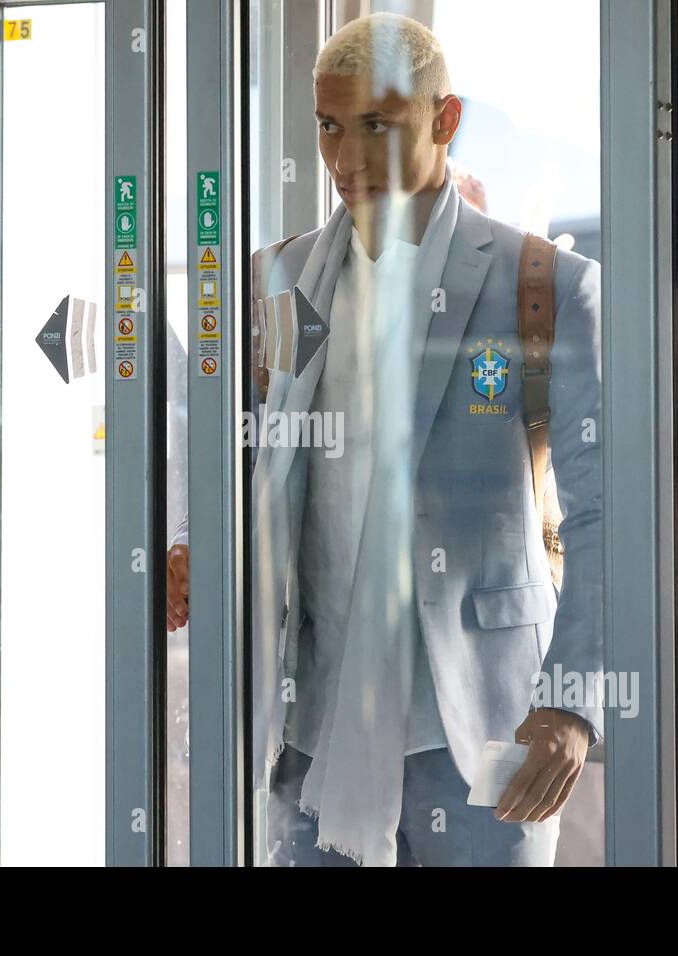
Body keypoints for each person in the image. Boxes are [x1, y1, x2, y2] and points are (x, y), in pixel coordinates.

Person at [166, 12, 602, 866]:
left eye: (377, 125)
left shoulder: (542, 286)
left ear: (445, 121)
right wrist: (188, 542)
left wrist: (573, 703)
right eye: (329, 127)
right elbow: (225, 463)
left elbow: (609, 515)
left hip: (485, 730)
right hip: (307, 730)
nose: (346, 160)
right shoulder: (273, 284)